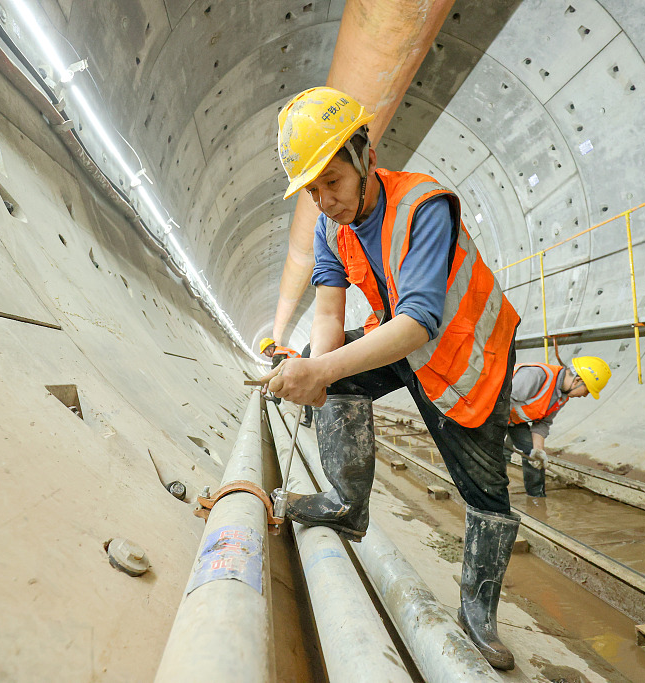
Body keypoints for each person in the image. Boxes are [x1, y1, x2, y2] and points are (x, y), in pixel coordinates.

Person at [262, 87, 523, 670]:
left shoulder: (423, 206)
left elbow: (421, 322)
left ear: (364, 157)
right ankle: (347, 504)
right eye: (312, 189)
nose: (324, 199)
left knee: (485, 490)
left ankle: (478, 616)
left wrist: (321, 371)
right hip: (403, 340)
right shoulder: (333, 229)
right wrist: (317, 374)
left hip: (466, 358)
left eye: (332, 181)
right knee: (329, 366)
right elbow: (329, 311)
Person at [508, 357, 611, 497]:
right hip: (491, 413)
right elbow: (499, 401)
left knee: (532, 454)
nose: (586, 396)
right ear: (577, 381)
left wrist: (538, 450)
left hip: (514, 419)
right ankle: (492, 497)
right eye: (587, 390)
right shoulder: (536, 376)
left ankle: (536, 497)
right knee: (493, 454)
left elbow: (542, 424)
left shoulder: (561, 396)